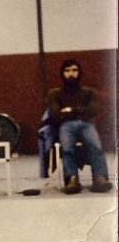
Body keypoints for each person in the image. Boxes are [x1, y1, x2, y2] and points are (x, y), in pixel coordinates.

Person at [47, 58, 113, 195]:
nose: (71, 73)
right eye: (67, 70)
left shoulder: (90, 92)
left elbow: (93, 111)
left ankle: (100, 178)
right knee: (67, 149)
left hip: (87, 124)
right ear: (62, 73)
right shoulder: (55, 93)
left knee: (96, 146)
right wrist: (81, 110)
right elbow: (55, 114)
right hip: (66, 125)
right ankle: (72, 180)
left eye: (74, 70)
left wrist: (69, 110)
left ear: (79, 72)